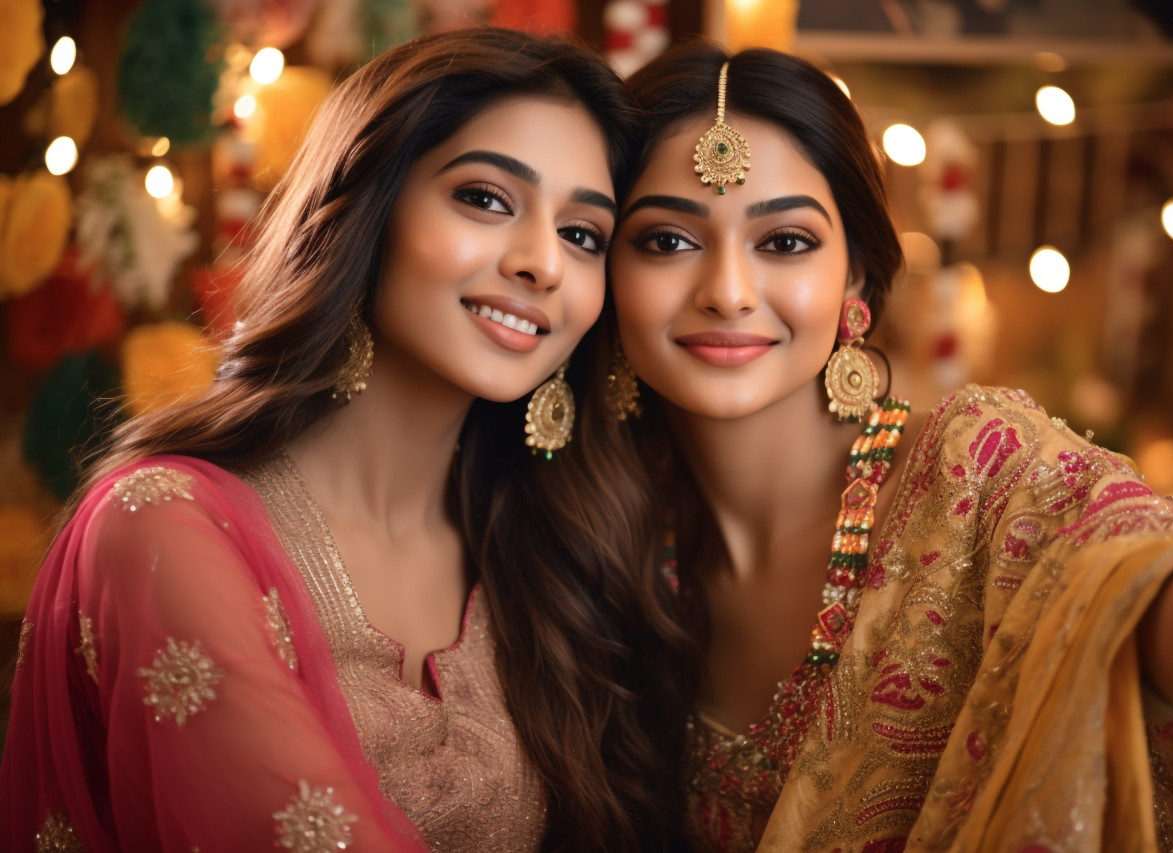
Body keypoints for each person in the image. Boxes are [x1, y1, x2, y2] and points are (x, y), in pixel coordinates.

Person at [0, 29, 690, 852]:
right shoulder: (162, 527)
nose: (543, 262)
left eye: (583, 234)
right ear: (370, 205)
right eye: (486, 198)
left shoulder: (550, 557)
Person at [602, 41, 1173, 852]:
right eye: (667, 241)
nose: (727, 292)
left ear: (855, 278)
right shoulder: (591, 512)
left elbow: (1154, 623)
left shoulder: (981, 477)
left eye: (784, 242)